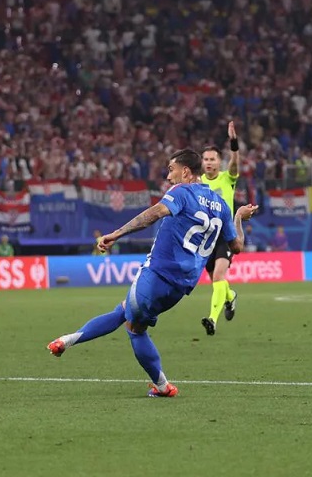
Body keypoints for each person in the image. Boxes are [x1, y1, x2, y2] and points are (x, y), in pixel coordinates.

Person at [47, 149, 257, 397]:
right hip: (181, 286)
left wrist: (116, 234)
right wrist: (238, 217)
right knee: (125, 311)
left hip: (158, 274)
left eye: (171, 170)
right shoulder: (220, 205)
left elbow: (153, 214)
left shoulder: (181, 192)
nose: (168, 177)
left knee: (134, 327)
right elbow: (237, 246)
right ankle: (67, 340)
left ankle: (163, 386)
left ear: (186, 172)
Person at [200, 121, 241, 335]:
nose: (209, 162)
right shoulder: (197, 183)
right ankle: (230, 297)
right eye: (206, 159)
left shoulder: (227, 178)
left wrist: (233, 142)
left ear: (219, 162)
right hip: (206, 238)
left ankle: (212, 320)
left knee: (217, 276)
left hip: (225, 235)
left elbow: (235, 162)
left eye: (212, 159)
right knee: (217, 281)